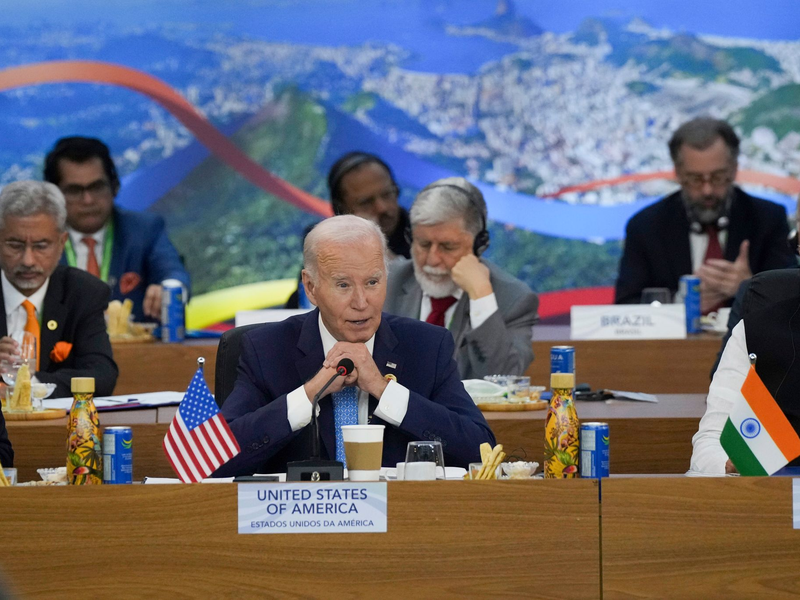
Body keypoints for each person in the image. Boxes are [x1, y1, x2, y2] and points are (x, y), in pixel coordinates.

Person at [215, 215, 494, 476]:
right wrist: (308, 394)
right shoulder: (266, 349)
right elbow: (215, 459)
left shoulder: (427, 347)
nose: (361, 302)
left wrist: (385, 391)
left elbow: (481, 451)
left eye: (372, 282)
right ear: (310, 287)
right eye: (344, 285)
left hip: (400, 518)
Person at [615, 117, 795, 311]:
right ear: (678, 174)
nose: (707, 190)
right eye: (695, 179)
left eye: (717, 177)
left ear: (734, 170)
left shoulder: (768, 219)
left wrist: (750, 289)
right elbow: (625, 307)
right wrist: (680, 306)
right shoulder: (645, 226)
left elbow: (792, 304)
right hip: (675, 342)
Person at [383, 177, 539, 379]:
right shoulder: (385, 282)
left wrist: (481, 297)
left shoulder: (512, 299)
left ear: (479, 245)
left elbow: (504, 379)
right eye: (423, 244)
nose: (432, 260)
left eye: (448, 247)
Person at [43, 136, 190, 322]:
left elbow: (173, 273)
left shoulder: (144, 229)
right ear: (54, 196)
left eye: (96, 187)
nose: (88, 200)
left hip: (135, 350)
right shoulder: (38, 239)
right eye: (74, 190)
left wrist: (169, 289)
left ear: (115, 187)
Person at [0, 181, 117, 399]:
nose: (28, 260)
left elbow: (102, 376)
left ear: (61, 243)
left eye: (41, 246)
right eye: (15, 245)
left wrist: (31, 385)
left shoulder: (83, 293)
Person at [285, 151, 410, 307]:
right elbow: (301, 312)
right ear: (340, 209)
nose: (382, 207)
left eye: (387, 194)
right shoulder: (323, 248)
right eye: (366, 202)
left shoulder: (424, 238)